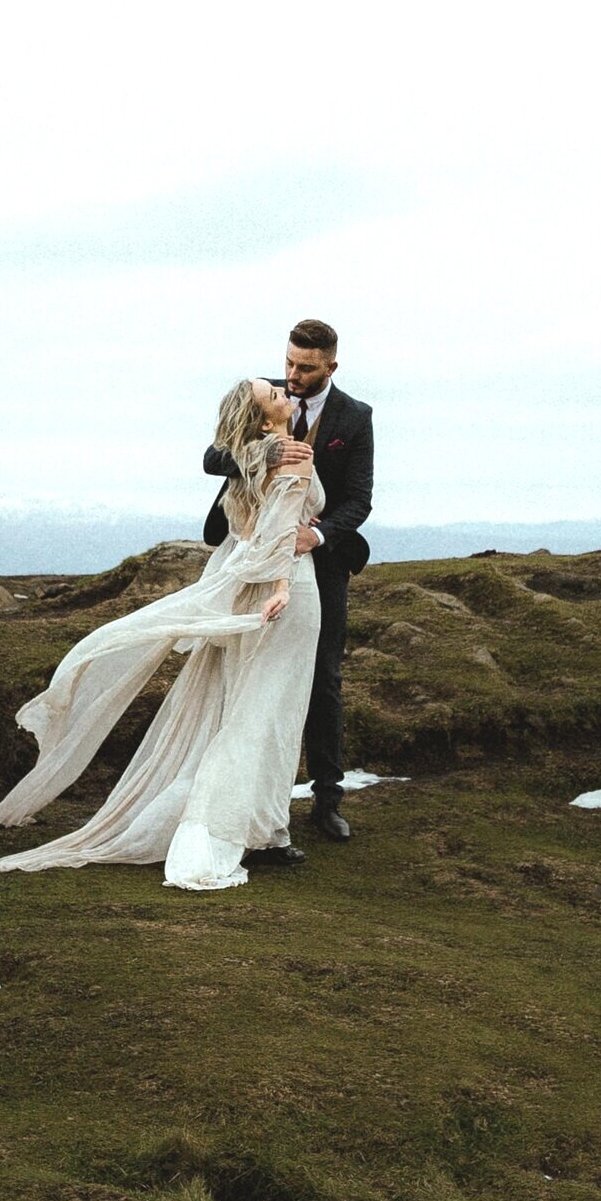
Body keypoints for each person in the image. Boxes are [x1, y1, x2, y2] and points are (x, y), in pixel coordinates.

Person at [0, 380, 322, 891]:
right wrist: (280, 586)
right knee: (266, 713)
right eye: (271, 391)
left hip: (250, 591)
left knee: (249, 709)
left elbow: (252, 530)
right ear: (260, 420)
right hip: (289, 591)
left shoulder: (249, 466)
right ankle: (229, 831)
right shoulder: (286, 456)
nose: (281, 387)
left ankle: (264, 826)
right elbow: (277, 539)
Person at [200, 317, 373, 841]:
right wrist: (262, 453)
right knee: (243, 673)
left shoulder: (355, 417)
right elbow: (212, 458)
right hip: (251, 557)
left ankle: (326, 801)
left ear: (331, 367)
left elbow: (358, 501)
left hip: (319, 565)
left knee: (323, 680)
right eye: (289, 364)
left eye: (306, 368)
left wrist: (313, 539)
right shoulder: (263, 397)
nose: (293, 376)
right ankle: (231, 794)